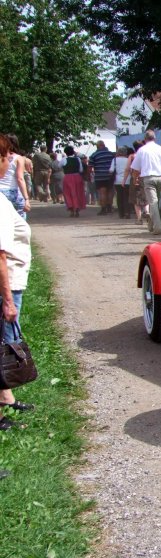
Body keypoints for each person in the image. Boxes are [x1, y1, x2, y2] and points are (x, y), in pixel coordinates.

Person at [0, 134, 34, 429]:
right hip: (7, 281)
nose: (10, 161)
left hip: (12, 279)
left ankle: (6, 397)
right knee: (4, 341)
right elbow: (0, 253)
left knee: (4, 339)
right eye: (5, 157)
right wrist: (8, 298)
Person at [131, 130, 161, 235]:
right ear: (154, 138)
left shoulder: (142, 150)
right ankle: (152, 223)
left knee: (153, 202)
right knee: (156, 202)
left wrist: (135, 178)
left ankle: (157, 227)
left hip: (149, 178)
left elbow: (136, 168)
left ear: (145, 139)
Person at [0, 135, 30, 218]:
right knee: (20, 216)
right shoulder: (18, 158)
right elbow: (20, 179)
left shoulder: (1, 157)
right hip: (11, 192)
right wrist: (26, 199)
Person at [124, 141, 147, 224]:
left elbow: (127, 169)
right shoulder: (145, 156)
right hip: (145, 178)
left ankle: (139, 219)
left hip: (134, 178)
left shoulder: (132, 156)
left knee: (135, 200)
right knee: (145, 198)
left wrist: (124, 180)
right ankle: (147, 212)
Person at [89, 141, 115, 214]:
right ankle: (109, 207)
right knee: (110, 191)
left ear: (97, 146)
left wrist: (89, 176)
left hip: (100, 176)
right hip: (110, 176)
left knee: (102, 193)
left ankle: (103, 209)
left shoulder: (94, 155)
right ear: (104, 145)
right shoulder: (111, 154)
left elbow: (90, 167)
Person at [60, 146, 86, 217]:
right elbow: (81, 170)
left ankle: (71, 209)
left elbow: (59, 166)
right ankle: (77, 208)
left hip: (68, 177)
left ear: (66, 152)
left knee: (68, 193)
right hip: (77, 177)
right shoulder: (78, 159)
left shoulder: (64, 159)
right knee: (78, 193)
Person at [109, 146, 131, 219]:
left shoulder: (114, 160)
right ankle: (127, 212)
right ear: (125, 152)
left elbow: (111, 170)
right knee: (127, 197)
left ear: (118, 152)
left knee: (119, 197)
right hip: (127, 180)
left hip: (117, 181)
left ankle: (121, 213)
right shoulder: (128, 159)